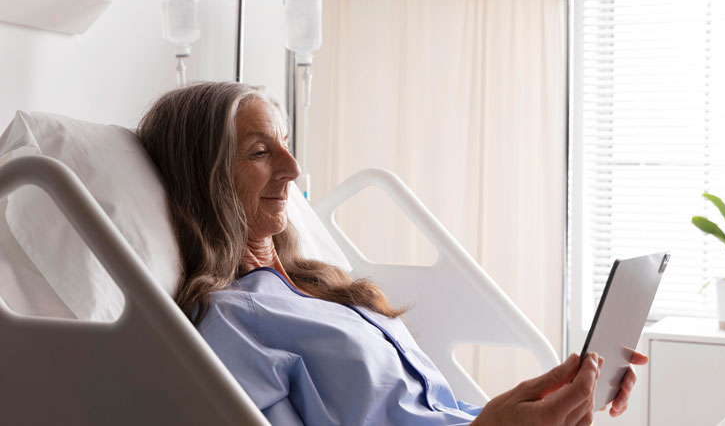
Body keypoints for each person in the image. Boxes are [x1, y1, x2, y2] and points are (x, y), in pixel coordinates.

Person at [137, 81, 646, 425]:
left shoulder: (317, 283)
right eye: (260, 151)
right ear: (206, 180)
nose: (293, 169)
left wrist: (551, 399)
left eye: (286, 144)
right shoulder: (228, 325)